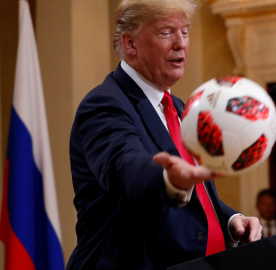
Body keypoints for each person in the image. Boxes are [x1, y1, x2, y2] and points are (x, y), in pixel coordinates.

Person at [66, 1, 262, 269]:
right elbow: (125, 166)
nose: (180, 43)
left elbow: (198, 198)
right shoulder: (104, 104)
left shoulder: (180, 108)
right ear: (130, 44)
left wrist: (230, 220)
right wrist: (168, 178)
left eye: (185, 31)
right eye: (166, 32)